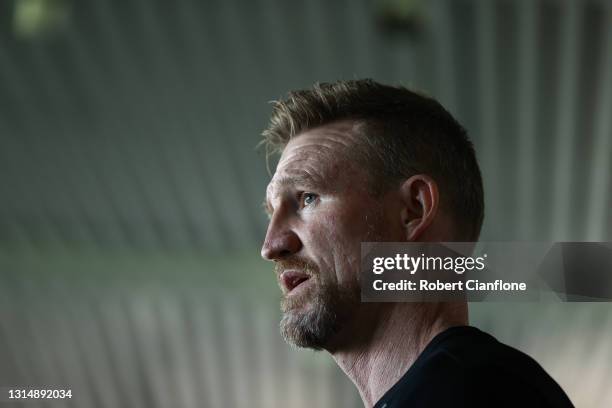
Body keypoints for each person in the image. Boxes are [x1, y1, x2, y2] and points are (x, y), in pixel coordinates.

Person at [259, 79, 573, 407]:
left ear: (413, 209)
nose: (271, 246)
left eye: (308, 198)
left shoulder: (479, 390)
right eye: (271, 212)